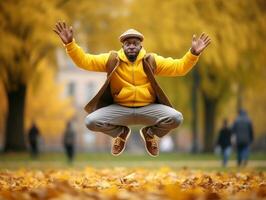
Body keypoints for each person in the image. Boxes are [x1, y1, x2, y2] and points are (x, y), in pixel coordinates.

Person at [53, 21, 211, 157]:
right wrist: (70, 44)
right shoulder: (112, 60)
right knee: (91, 121)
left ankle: (149, 134)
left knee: (176, 118)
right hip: (120, 108)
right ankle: (120, 133)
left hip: (148, 108)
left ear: (140, 45)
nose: (131, 47)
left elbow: (179, 68)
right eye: (128, 44)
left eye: (135, 43)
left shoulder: (151, 60)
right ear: (123, 46)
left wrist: (193, 53)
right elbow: (85, 61)